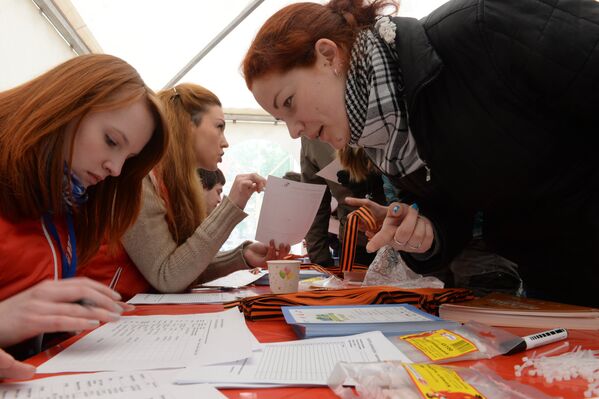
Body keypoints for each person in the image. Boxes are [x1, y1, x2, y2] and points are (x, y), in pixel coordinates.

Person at [242, 0, 599, 306]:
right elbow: (453, 212)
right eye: (281, 118)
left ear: (327, 55)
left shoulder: (481, 28)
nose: (293, 130)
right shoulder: (392, 141)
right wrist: (425, 234)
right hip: (561, 284)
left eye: (289, 103)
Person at [0, 54, 169, 376]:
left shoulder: (64, 206)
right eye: (111, 141)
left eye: (128, 157)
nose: (115, 169)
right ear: (63, 106)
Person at [80, 83, 289, 296]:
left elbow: (182, 269)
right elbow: (168, 277)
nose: (225, 142)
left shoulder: (172, 183)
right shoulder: (141, 180)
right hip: (102, 317)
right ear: (187, 125)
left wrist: (241, 257)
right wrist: (231, 206)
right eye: (219, 127)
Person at [301, 137, 384, 267]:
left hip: (400, 235)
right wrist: (321, 262)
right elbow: (314, 204)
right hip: (354, 243)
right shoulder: (309, 141)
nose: (293, 133)